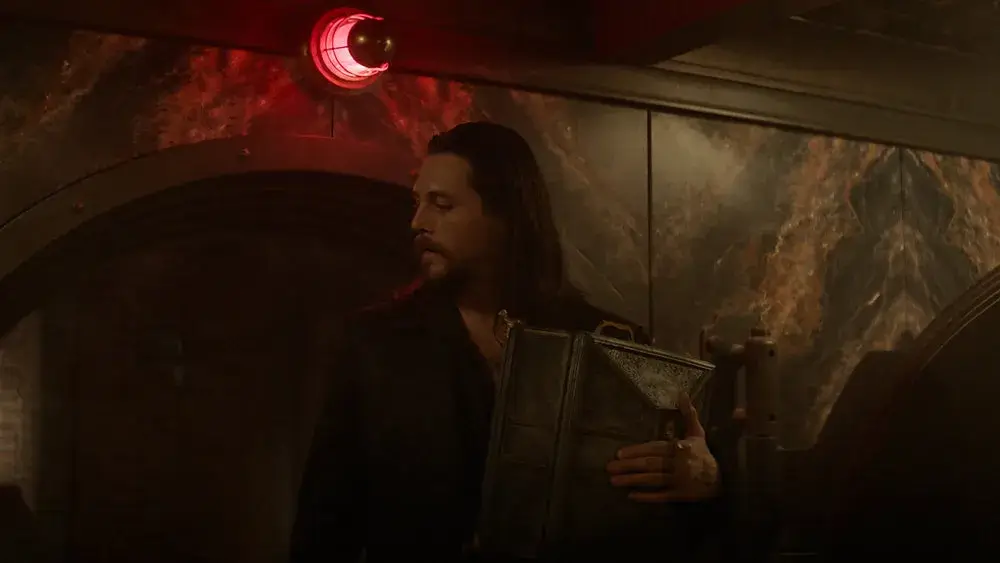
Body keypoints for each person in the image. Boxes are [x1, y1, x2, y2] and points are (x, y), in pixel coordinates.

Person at [290, 122, 725, 563]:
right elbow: (323, 523)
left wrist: (703, 483)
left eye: (442, 204)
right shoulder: (376, 345)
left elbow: (659, 522)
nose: (418, 222)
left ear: (506, 215)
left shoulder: (607, 341)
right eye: (417, 203)